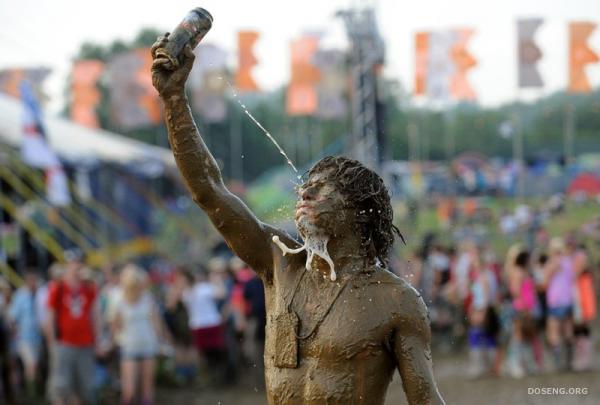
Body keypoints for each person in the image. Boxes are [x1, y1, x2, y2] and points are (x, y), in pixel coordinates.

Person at [151, 35, 444, 404]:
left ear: (359, 211)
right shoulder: (280, 262)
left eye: (322, 190)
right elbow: (209, 190)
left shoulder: (396, 300)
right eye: (306, 186)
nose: (304, 194)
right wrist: (174, 99)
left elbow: (426, 400)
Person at [46, 252, 99, 405]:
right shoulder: (58, 287)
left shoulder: (89, 287)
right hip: (64, 343)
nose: (77, 267)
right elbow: (50, 316)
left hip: (85, 343)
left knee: (84, 388)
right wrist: (52, 342)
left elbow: (94, 315)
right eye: (73, 263)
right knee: (61, 387)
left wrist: (97, 338)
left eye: (79, 264)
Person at [111, 264, 162, 405]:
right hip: (129, 346)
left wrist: (160, 340)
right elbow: (115, 324)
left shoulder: (147, 298)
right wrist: (117, 340)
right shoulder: (119, 300)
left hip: (148, 344)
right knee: (129, 390)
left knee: (147, 388)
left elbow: (155, 321)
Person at [7, 269, 42, 398]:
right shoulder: (20, 296)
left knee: (35, 366)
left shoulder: (39, 294)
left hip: (37, 337)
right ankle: (31, 396)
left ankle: (35, 392)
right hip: (24, 338)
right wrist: (14, 334)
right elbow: (12, 317)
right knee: (31, 365)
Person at [543, 237, 575, 371]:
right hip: (568, 299)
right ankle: (569, 362)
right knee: (567, 331)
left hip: (556, 301)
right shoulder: (568, 262)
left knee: (553, 332)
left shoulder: (552, 263)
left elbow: (545, 283)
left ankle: (558, 363)